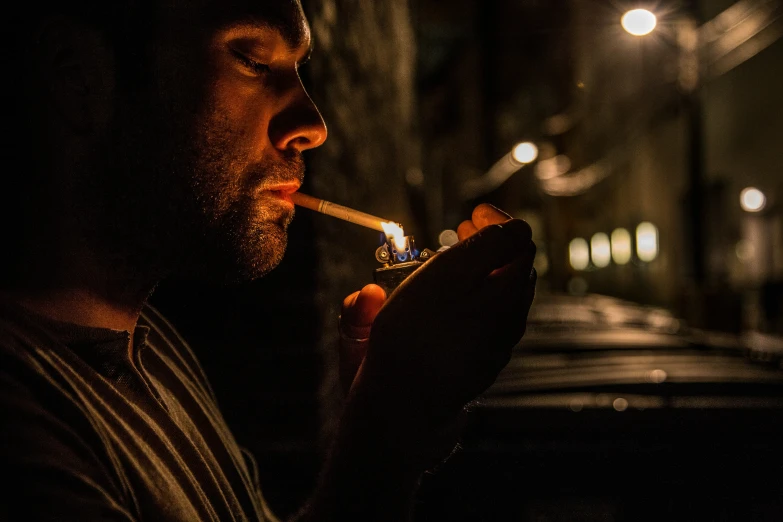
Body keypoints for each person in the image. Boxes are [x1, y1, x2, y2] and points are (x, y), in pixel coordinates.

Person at [0, 0, 537, 520]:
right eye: (251, 59)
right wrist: (383, 435)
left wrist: (402, 421)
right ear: (77, 74)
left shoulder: (152, 345)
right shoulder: (23, 429)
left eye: (298, 69)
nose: (313, 124)